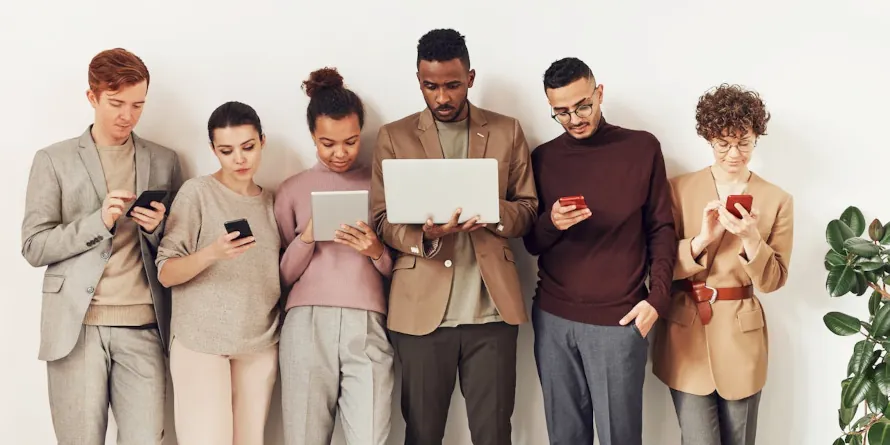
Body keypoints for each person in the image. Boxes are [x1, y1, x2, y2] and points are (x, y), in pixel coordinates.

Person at [370, 28, 537, 445]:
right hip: (420, 313)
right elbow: (380, 219)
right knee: (423, 433)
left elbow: (530, 209)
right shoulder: (394, 136)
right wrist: (424, 237)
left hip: (492, 314)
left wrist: (492, 215)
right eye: (431, 86)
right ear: (418, 81)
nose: (441, 97)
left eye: (452, 85)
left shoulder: (507, 130)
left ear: (471, 78)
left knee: (494, 434)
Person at [20, 48, 181, 445]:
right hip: (75, 329)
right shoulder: (52, 160)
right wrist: (99, 222)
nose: (128, 115)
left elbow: (175, 248)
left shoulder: (164, 160)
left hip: (143, 325)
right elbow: (34, 246)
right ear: (92, 97)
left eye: (138, 105)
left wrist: (157, 228)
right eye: (116, 103)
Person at [522, 57, 676, 445]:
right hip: (554, 319)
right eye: (561, 112)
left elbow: (662, 229)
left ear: (599, 93)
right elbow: (531, 243)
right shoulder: (543, 158)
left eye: (582, 106)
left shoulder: (641, 148)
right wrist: (551, 223)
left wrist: (657, 300)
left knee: (619, 438)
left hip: (619, 320)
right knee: (565, 437)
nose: (574, 118)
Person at [651, 84, 793, 445]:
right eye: (723, 143)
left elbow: (774, 280)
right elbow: (658, 267)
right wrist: (701, 240)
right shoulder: (677, 190)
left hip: (742, 338)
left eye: (744, 142)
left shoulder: (778, 199)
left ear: (756, 137)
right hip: (686, 334)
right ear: (708, 138)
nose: (734, 153)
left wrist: (750, 239)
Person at [274, 67, 394, 445]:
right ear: (312, 135)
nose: (340, 153)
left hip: (369, 322)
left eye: (351, 141)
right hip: (306, 324)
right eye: (328, 143)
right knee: (304, 437)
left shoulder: (381, 187)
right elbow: (281, 275)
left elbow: (401, 267)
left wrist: (375, 250)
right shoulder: (292, 190)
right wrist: (308, 237)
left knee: (371, 435)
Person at [155, 101, 281, 445]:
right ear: (213, 150)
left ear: (262, 141)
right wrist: (213, 253)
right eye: (226, 150)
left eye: (248, 147)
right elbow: (166, 272)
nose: (239, 159)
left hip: (259, 342)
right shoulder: (197, 193)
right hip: (201, 343)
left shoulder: (273, 203)